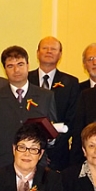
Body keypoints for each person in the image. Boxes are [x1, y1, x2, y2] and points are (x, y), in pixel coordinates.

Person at [0, 46, 58, 170]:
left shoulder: (45, 96)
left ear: (28, 65)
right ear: (4, 69)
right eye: (10, 66)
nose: (16, 70)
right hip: (4, 163)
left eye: (20, 64)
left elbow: (52, 129)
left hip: (37, 163)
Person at [28, 36, 80, 171]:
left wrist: (54, 142)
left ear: (60, 54)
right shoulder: (26, 79)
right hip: (28, 150)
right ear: (37, 53)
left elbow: (72, 118)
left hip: (59, 153)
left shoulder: (71, 83)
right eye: (45, 48)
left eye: (53, 49)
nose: (49, 51)